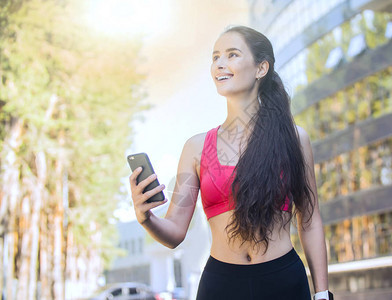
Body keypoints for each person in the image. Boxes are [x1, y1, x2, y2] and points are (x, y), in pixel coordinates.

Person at [129, 25, 331, 300]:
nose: (220, 64)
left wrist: (321, 294)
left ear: (261, 68)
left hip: (283, 281)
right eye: (215, 57)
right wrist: (146, 217)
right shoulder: (195, 148)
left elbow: (309, 220)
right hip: (221, 285)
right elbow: (175, 231)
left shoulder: (294, 139)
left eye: (232, 55)